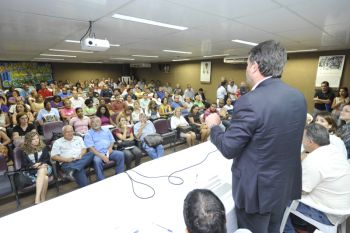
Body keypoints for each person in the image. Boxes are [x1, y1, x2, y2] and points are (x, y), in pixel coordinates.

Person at [207, 40, 307, 233]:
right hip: (284, 184)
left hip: (257, 193)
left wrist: (214, 127)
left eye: (246, 64)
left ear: (254, 66)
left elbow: (228, 148)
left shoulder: (250, 102)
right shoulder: (298, 96)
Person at [283, 123, 350, 232]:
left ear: (310, 142)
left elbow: (300, 190)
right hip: (344, 211)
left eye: (302, 138)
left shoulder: (315, 159)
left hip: (327, 213)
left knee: (279, 199)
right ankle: (302, 227)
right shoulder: (334, 151)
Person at [84, 117, 124, 181]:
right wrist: (102, 156)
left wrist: (110, 148)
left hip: (108, 151)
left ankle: (119, 174)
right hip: (97, 154)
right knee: (97, 161)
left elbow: (112, 140)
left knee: (120, 154)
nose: (95, 123)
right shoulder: (88, 134)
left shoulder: (106, 130)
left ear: (100, 122)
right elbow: (91, 148)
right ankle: (101, 180)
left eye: (97, 121)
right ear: (90, 124)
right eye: (93, 122)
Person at [20, 131, 52, 204]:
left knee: (42, 169)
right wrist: (32, 165)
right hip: (32, 170)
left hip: (45, 167)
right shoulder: (24, 151)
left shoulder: (43, 147)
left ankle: (37, 198)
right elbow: (24, 164)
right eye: (33, 139)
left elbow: (47, 159)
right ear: (28, 141)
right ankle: (43, 199)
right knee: (45, 178)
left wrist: (40, 163)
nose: (37, 140)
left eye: (37, 138)